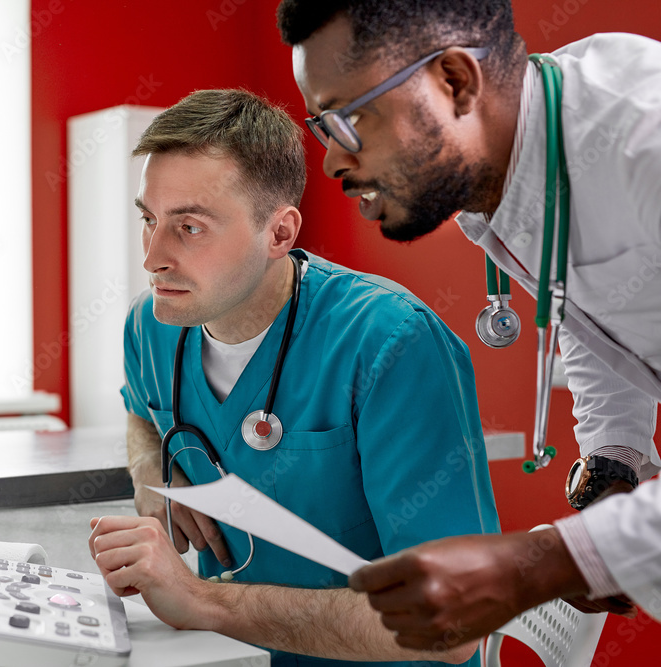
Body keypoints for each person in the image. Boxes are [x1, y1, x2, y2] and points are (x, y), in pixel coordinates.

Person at [276, 0, 661, 649]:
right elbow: (590, 300)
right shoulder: (509, 173)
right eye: (323, 127)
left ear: (453, 81)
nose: (333, 164)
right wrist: (614, 458)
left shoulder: (642, 137)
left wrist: (543, 564)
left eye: (350, 118)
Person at [88, 88, 500, 666]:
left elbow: (452, 626)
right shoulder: (151, 325)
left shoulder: (390, 344)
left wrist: (203, 601)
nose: (153, 256)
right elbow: (141, 408)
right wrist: (155, 467)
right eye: (149, 220)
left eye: (190, 227)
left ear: (279, 234)